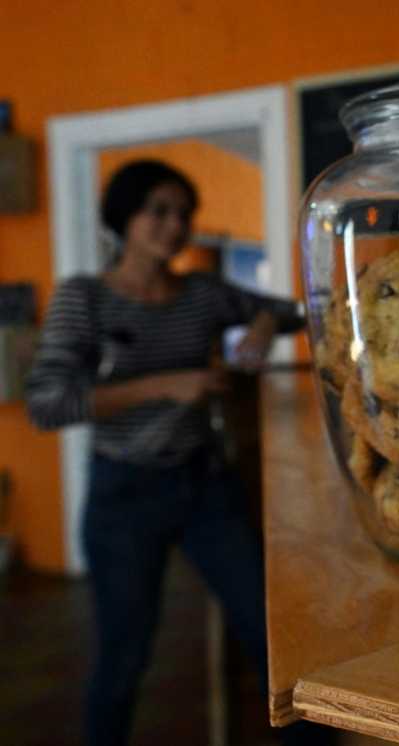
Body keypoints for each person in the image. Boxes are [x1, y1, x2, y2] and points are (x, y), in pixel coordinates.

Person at [25, 160, 318, 745]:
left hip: (206, 486)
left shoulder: (203, 293)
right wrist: (166, 383)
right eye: (158, 210)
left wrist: (261, 323)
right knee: (124, 655)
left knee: (270, 632)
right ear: (123, 217)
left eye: (184, 213)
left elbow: (293, 310)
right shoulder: (84, 299)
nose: (174, 224)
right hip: (123, 496)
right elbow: (47, 403)